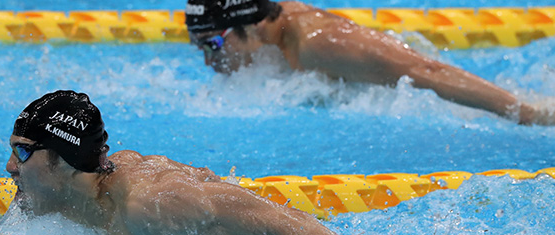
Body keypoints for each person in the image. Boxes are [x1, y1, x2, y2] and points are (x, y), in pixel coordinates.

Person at [5, 90, 394, 235]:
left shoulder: (148, 204)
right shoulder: (51, 200)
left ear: (63, 159)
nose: (9, 167)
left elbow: (279, 222)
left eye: (22, 152)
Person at [185, 0, 555, 126]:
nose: (208, 60)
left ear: (249, 24)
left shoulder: (319, 44)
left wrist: (525, 113)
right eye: (198, 45)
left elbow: (427, 72)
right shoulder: (270, 30)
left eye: (214, 44)